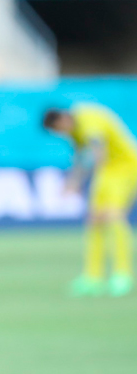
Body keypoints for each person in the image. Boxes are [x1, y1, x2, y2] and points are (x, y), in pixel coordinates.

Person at [44, 105, 137, 297]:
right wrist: (73, 182)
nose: (61, 134)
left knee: (113, 217)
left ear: (62, 120)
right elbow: (80, 156)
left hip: (125, 168)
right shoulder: (74, 131)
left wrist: (85, 177)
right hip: (106, 172)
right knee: (94, 220)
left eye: (58, 130)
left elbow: (98, 150)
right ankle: (93, 277)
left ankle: (123, 274)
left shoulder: (87, 118)